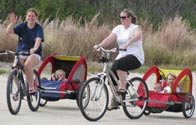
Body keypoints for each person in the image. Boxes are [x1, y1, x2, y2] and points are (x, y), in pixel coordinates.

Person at [94, 8, 144, 110]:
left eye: (124, 17)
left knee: (120, 65)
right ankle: (117, 99)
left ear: (130, 18)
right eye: (120, 17)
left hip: (135, 56)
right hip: (122, 55)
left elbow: (138, 36)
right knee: (111, 74)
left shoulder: (135, 27)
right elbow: (109, 39)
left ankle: (123, 87)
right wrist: (99, 45)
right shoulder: (118, 28)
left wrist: (128, 43)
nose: (122, 19)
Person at [6, 8, 44, 94]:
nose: (31, 18)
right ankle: (21, 89)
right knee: (14, 70)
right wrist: (12, 23)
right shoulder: (22, 26)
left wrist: (34, 49)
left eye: (33, 16)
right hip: (21, 53)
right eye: (29, 16)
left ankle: (31, 87)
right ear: (26, 17)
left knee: (27, 64)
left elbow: (38, 39)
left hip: (34, 54)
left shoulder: (39, 28)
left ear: (36, 18)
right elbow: (8, 32)